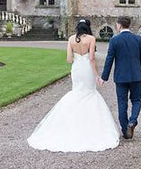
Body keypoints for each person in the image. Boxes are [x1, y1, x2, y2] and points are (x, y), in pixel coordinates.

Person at [27, 19, 119, 152]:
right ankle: (89, 126)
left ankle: (71, 122)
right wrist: (97, 75)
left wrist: (77, 56)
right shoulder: (91, 39)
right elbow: (92, 58)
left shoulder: (71, 39)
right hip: (87, 68)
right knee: (89, 92)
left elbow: (69, 59)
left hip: (76, 69)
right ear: (87, 27)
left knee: (77, 92)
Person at [100, 16, 141, 139]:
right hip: (136, 75)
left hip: (121, 77)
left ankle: (125, 129)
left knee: (122, 103)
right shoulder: (138, 39)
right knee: (136, 100)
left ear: (119, 25)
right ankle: (132, 121)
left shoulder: (114, 40)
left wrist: (104, 77)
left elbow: (109, 60)